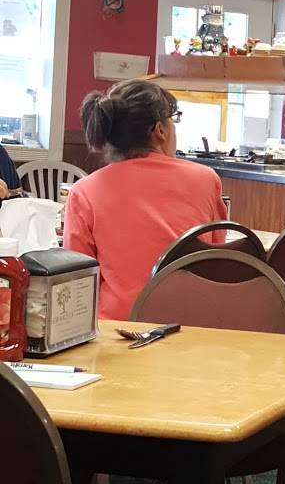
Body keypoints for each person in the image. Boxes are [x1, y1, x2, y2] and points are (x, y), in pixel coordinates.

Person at [63, 79, 227, 319]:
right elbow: (217, 259)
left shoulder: (84, 191)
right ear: (160, 130)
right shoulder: (206, 180)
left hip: (117, 330)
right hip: (191, 326)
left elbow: (78, 281)